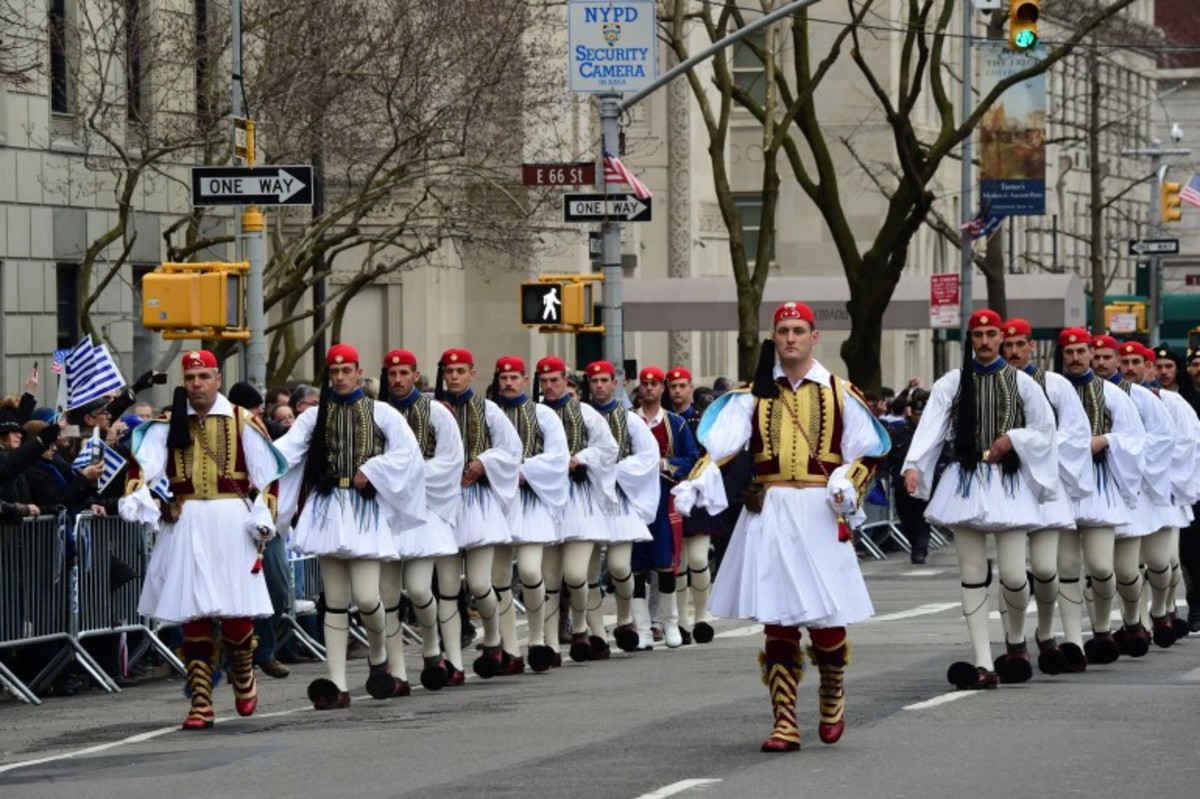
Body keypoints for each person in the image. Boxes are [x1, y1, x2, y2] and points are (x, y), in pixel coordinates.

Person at [673, 301, 890, 752]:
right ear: (774, 338)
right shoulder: (753, 393)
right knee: (777, 621)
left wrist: (848, 485)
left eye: (798, 330)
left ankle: (832, 688)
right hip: (770, 509)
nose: (790, 338)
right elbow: (720, 447)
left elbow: (868, 451)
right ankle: (785, 721)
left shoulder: (838, 390)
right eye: (783, 331)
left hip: (817, 510)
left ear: (814, 338)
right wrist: (696, 482)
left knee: (826, 620)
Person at [118, 350, 286, 729]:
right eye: (191, 377)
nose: (197, 384)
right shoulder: (166, 423)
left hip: (230, 521)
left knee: (235, 613)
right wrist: (142, 497)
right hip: (187, 520)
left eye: (204, 377)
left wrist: (263, 515)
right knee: (193, 616)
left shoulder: (244, 422)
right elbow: (142, 466)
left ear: (218, 380)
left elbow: (269, 474)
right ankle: (201, 700)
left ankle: (243, 669)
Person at [903, 310, 1057, 690]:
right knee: (972, 575)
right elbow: (932, 428)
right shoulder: (952, 383)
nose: (985, 341)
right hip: (966, 479)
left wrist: (1013, 440)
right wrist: (914, 466)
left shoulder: (1023, 383)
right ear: (970, 338)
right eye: (978, 335)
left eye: (991, 334)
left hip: (1006, 482)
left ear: (1002, 336)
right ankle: (983, 662)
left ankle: (1016, 641)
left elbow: (1044, 430)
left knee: (1014, 576)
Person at [275, 343, 426, 709]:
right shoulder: (314, 417)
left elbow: (409, 456)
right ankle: (338, 684)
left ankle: (378, 657)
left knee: (366, 597)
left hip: (365, 510)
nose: (340, 378)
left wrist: (373, 470)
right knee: (336, 601)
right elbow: (285, 450)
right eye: (334, 372)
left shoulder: (382, 412)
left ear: (359, 372)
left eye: (347, 371)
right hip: (329, 508)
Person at [1049, 331, 1143, 671]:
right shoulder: (1052, 392)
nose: (1075, 357)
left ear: (1091, 353)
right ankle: (1075, 640)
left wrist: (1105, 439)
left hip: (1099, 486)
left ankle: (1102, 628)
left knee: (1103, 568)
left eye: (1081, 351)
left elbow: (1134, 438)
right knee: (1068, 568)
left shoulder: (1111, 393)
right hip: (1063, 488)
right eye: (1069, 352)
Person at [434, 348, 522, 679]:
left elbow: (511, 452)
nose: (454, 376)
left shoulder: (489, 410)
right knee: (446, 587)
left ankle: (495, 637)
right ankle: (454, 661)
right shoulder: (432, 409)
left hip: (478, 503)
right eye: (450, 371)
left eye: (461, 370)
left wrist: (484, 462)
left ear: (472, 373)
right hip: (444, 505)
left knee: (481, 583)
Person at [381, 349, 464, 689]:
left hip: (424, 510)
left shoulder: (436, 413)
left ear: (416, 375)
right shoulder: (379, 413)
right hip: (387, 511)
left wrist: (407, 475)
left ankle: (432, 647)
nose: (398, 380)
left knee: (417, 589)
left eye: (404, 373)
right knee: (386, 598)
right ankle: (397, 670)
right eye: (392, 374)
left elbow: (450, 460)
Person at [536, 356, 620, 664]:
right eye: (544, 381)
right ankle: (550, 644)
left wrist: (581, 457)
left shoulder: (585, 413)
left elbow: (608, 448)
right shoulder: (533, 413)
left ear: (566, 380)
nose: (549, 386)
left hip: (578, 499)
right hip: (546, 500)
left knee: (575, 574)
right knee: (548, 579)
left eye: (555, 380)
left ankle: (582, 626)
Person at [491, 356, 569, 672]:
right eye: (503, 377)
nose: (508, 383)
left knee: (529, 572)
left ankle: (536, 638)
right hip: (497, 504)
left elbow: (557, 457)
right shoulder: (489, 413)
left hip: (531, 501)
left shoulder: (544, 415)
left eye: (514, 377)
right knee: (497, 579)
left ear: (525, 379)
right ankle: (509, 648)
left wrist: (524, 471)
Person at [1113, 342, 1190, 653]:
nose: (1130, 368)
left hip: (1157, 490)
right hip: (1123, 493)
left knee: (1161, 562)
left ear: (1150, 368)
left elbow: (1183, 443)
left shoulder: (1168, 402)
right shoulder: (1109, 397)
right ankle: (1135, 622)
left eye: (1137, 362)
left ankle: (1160, 610)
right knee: (1125, 567)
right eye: (1125, 361)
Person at [586, 360, 660, 654]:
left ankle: (625, 618)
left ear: (614, 383)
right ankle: (595, 632)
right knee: (588, 573)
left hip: (618, 500)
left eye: (605, 380)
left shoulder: (629, 420)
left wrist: (614, 471)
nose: (600, 386)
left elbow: (648, 456)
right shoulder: (582, 417)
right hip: (589, 499)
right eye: (595, 381)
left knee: (619, 566)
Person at [633, 365, 698, 648]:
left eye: (654, 384)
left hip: (663, 495)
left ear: (662, 388)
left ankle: (670, 622)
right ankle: (642, 629)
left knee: (665, 562)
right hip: (633, 501)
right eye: (644, 384)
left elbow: (692, 457)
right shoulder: (627, 421)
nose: (649, 389)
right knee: (635, 566)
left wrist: (665, 464)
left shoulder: (676, 423)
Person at [667, 366, 719, 642]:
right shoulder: (664, 419)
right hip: (672, 494)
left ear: (691, 387)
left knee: (698, 559)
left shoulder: (702, 420)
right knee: (678, 563)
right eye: (673, 386)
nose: (677, 391)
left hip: (697, 494)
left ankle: (702, 616)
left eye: (682, 386)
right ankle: (682, 622)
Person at [886, 390, 931, 564]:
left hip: (924, 482)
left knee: (921, 517)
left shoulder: (930, 434)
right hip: (901, 483)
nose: (919, 418)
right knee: (905, 517)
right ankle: (915, 544)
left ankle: (920, 548)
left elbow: (944, 455)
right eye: (917, 414)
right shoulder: (898, 432)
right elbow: (888, 457)